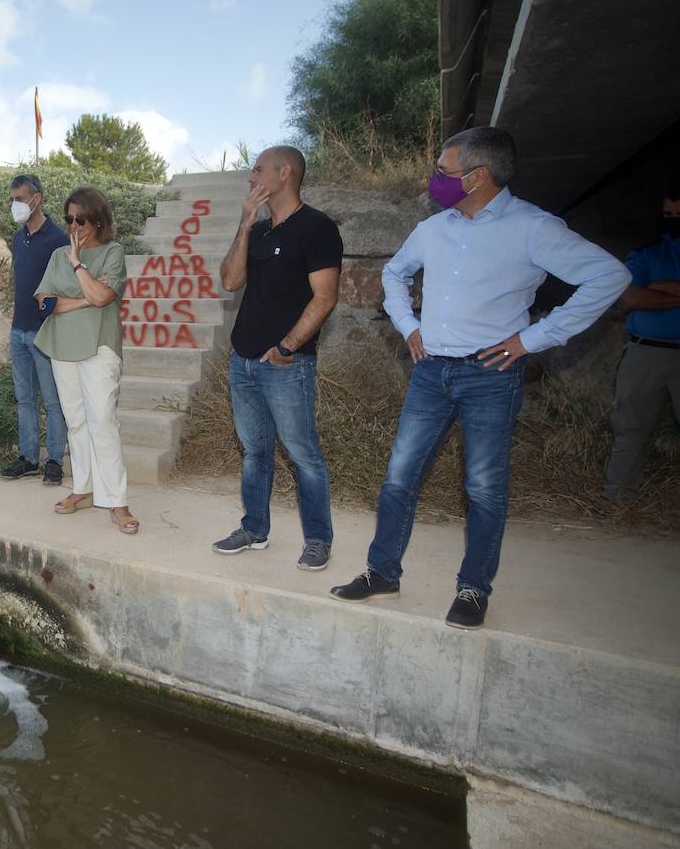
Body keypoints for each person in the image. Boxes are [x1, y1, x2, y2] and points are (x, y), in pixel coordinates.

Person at [330, 126, 630, 630]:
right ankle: (382, 573)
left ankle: (473, 589)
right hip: (430, 372)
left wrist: (532, 339)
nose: (435, 180)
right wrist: (408, 326)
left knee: (484, 488)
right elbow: (394, 274)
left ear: (479, 176)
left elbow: (609, 276)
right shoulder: (434, 228)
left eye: (444, 172)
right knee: (398, 479)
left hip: (491, 376)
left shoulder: (534, 228)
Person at [212, 146, 342, 570]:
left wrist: (287, 346)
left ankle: (318, 540)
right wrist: (245, 225)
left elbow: (325, 298)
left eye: (257, 170)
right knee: (255, 452)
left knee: (304, 453)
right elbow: (231, 279)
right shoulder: (261, 230)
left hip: (287, 366)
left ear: (285, 173)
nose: (250, 178)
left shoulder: (318, 229)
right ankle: (254, 529)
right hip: (243, 361)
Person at [34, 186, 139, 534]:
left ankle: (116, 501)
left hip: (99, 347)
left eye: (80, 219)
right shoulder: (55, 255)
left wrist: (78, 266)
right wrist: (83, 300)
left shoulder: (113, 252)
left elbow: (104, 295)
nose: (73, 226)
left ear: (96, 221)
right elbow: (45, 304)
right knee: (75, 420)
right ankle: (82, 489)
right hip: (62, 346)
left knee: (103, 421)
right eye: (68, 219)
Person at [602, 189, 680, 499]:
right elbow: (631, 297)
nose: (672, 221)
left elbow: (646, 292)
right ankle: (618, 500)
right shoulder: (647, 254)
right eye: (669, 215)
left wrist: (660, 290)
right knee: (630, 428)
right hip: (646, 351)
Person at [1, 173, 70, 485]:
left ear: (36, 199)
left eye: (19, 199)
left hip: (46, 332)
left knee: (53, 401)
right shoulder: (18, 238)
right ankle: (29, 458)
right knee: (25, 399)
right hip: (18, 331)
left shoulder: (58, 239)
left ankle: (54, 459)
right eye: (12, 199)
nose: (15, 204)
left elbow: (67, 285)